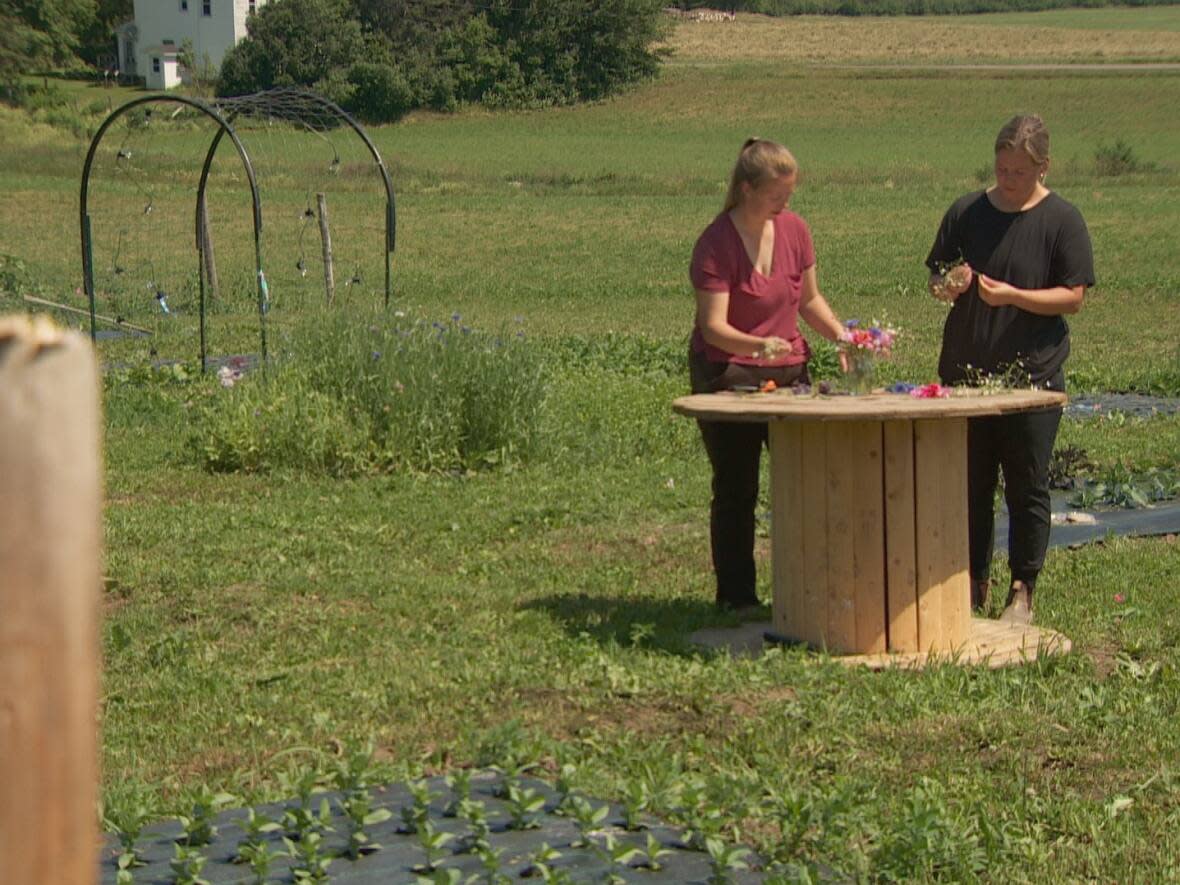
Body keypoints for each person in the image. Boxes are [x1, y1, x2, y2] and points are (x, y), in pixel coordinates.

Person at [926, 114, 1095, 624]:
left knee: (1026, 483)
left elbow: (1073, 297)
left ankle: (1022, 588)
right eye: (1001, 169)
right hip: (968, 374)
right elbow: (936, 276)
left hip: (1032, 375)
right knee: (970, 482)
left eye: (1018, 172)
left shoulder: (1062, 220)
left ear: (1043, 168)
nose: (1007, 179)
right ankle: (972, 581)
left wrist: (1014, 297)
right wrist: (948, 284)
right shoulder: (968, 211)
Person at [689, 137, 848, 612]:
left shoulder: (796, 231)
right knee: (737, 485)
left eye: (789, 196)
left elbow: (809, 301)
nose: (785, 204)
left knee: (800, 482)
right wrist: (758, 344)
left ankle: (801, 593)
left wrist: (843, 336)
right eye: (776, 196)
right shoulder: (715, 242)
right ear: (744, 189)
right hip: (729, 372)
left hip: (788, 370)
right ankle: (737, 597)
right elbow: (714, 327)